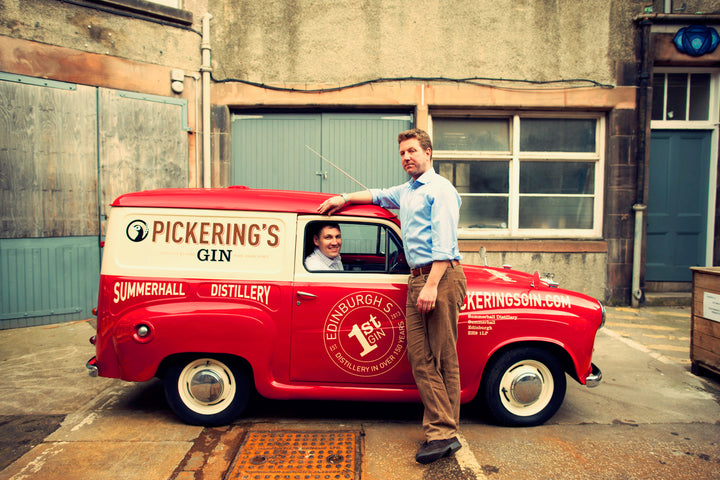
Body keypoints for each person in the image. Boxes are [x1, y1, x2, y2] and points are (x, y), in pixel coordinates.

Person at [317, 128, 467, 464]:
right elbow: (379, 195)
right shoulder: (409, 190)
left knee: (442, 356)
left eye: (412, 151)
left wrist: (431, 285)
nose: (406, 158)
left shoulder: (439, 190)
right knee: (419, 356)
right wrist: (344, 198)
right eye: (402, 154)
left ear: (428, 152)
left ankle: (442, 432)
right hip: (418, 279)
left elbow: (445, 243)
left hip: (439, 277)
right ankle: (441, 429)